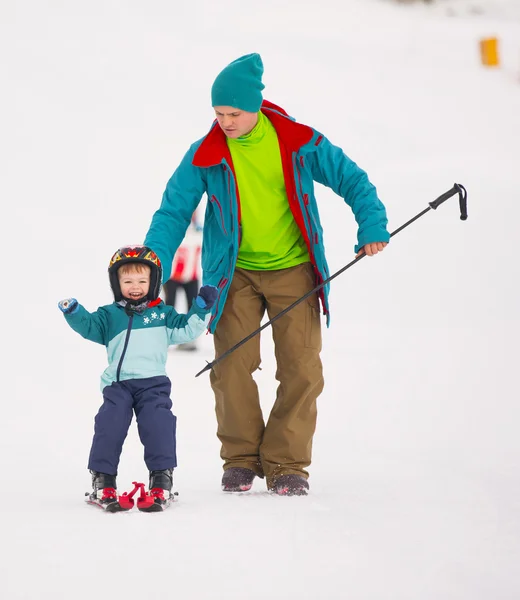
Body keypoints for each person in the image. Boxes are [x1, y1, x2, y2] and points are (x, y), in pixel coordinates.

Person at [144, 53, 389, 497]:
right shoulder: (207, 152)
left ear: (255, 105)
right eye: (218, 114)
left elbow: (351, 178)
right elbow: (173, 210)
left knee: (301, 367)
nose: (225, 122)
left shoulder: (296, 140)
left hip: (294, 267)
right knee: (230, 363)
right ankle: (239, 459)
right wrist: (152, 262)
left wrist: (370, 223)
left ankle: (286, 463)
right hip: (233, 272)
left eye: (233, 113)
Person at [58, 245, 218, 511]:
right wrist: (75, 313)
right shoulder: (109, 315)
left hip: (153, 384)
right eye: (128, 281)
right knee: (109, 424)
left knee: (159, 424)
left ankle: (161, 478)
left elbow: (187, 330)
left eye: (142, 281)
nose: (135, 287)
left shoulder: (163, 315)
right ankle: (103, 480)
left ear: (153, 283)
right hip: (118, 384)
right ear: (116, 283)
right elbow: (89, 326)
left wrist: (201, 308)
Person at [163, 213, 203, 351]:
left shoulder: (198, 230)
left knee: (193, 308)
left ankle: (189, 339)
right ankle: (164, 337)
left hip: (191, 277)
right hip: (172, 277)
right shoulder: (172, 227)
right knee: (169, 306)